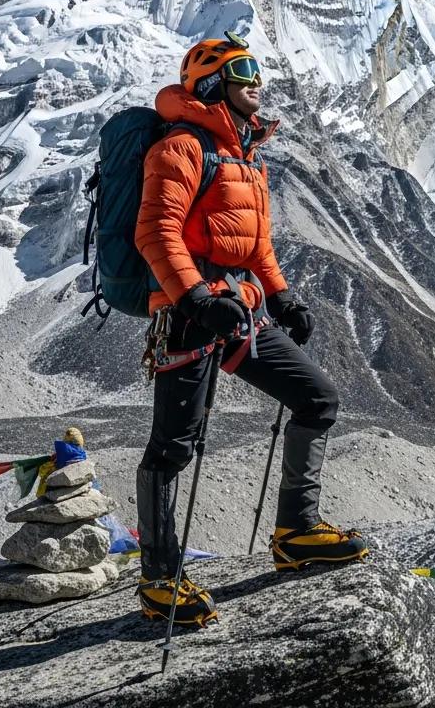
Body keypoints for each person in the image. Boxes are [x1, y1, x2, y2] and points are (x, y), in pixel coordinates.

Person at [132, 32, 368, 624]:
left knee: (317, 397)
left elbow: (255, 244)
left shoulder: (244, 155)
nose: (257, 81)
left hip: (241, 308)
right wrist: (192, 299)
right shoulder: (181, 148)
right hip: (190, 316)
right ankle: (160, 580)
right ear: (212, 85)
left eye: (255, 68)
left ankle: (297, 532)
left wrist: (283, 298)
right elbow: (156, 234)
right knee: (171, 448)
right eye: (244, 71)